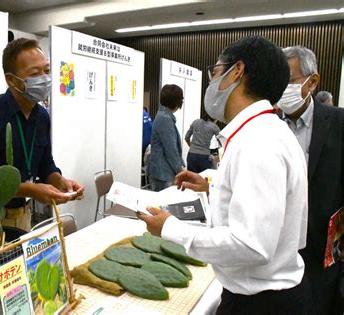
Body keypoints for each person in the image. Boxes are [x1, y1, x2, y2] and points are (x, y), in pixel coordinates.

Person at [139, 36, 310, 314]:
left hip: (260, 303)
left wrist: (171, 229)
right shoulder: (267, 131)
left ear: (237, 72)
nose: (212, 82)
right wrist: (212, 186)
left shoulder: (258, 141)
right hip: (266, 295)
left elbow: (250, 244)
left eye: (215, 71)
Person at [0, 38, 84, 231]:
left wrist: (60, 182)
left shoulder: (42, 116)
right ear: (11, 80)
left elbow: (45, 164)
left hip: (22, 215)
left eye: (47, 71)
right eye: (35, 73)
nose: (44, 78)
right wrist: (32, 190)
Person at [277, 45, 344, 314]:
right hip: (277, 247)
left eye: (289, 81)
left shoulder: (338, 122)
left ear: (312, 81)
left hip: (320, 249)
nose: (282, 89)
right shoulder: (269, 124)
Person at [148, 84, 185, 192]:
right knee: (165, 206)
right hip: (163, 174)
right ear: (176, 101)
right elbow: (171, 150)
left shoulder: (164, 116)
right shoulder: (165, 118)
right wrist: (180, 171)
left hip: (162, 172)